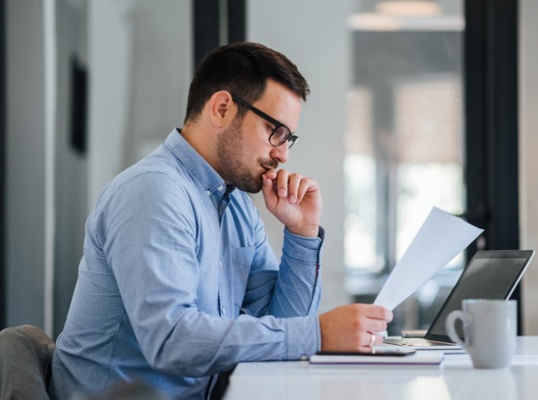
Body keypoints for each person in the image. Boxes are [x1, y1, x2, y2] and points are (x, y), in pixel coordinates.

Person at [49, 42, 392, 400]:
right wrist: (318, 335)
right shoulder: (153, 191)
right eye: (275, 131)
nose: (283, 154)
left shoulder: (238, 205)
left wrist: (302, 232)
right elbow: (170, 341)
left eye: (289, 138)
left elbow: (283, 325)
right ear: (223, 108)